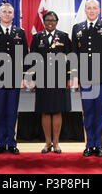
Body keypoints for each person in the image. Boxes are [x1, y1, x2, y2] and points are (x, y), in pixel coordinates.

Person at [71, 0, 102, 157]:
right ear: (85, 10)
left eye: (94, 8)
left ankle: (98, 145)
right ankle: (89, 144)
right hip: (85, 78)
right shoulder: (77, 28)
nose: (91, 11)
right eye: (89, 8)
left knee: (100, 111)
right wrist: (75, 76)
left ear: (99, 10)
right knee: (88, 111)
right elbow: (74, 55)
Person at [0, 3, 29, 155]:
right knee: (0, 112)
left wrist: (24, 77)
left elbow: (26, 56)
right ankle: (1, 143)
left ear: (13, 15)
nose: (7, 14)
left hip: (15, 78)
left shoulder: (20, 32)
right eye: (4, 12)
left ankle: (12, 143)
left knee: (12, 111)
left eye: (10, 12)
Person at [30, 11, 72, 154]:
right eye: (47, 20)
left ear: (57, 22)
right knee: (46, 111)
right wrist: (33, 79)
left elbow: (70, 59)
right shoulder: (37, 38)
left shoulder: (64, 37)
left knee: (57, 110)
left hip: (59, 79)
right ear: (43, 21)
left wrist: (68, 78)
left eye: (53, 20)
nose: (50, 22)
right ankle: (47, 143)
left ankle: (57, 143)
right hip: (42, 79)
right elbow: (32, 59)